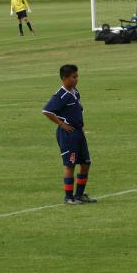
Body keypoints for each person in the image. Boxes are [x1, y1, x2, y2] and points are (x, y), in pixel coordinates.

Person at [41, 64, 96, 205]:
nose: (76, 79)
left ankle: (79, 195)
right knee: (70, 164)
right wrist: (61, 124)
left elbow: (78, 109)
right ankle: (68, 197)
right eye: (73, 77)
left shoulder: (75, 92)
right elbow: (47, 111)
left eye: (77, 76)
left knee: (85, 163)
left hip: (78, 132)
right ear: (64, 78)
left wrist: (81, 125)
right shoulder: (61, 95)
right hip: (68, 134)